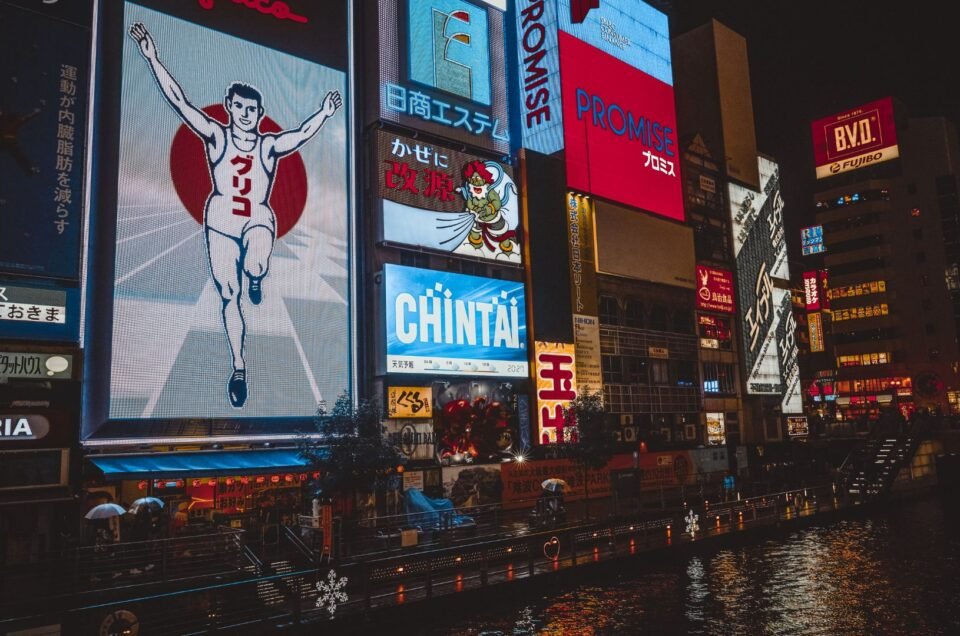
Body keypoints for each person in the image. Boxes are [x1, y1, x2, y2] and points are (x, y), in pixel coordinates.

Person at [128, 22, 342, 408]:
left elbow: (301, 134)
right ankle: (239, 366)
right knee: (229, 294)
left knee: (257, 261)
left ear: (260, 113)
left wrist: (324, 113)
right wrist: (152, 58)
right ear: (230, 107)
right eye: (240, 107)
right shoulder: (216, 135)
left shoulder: (269, 145)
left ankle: (257, 274)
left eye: (252, 109)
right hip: (221, 221)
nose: (246, 114)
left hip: (258, 217)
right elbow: (180, 102)